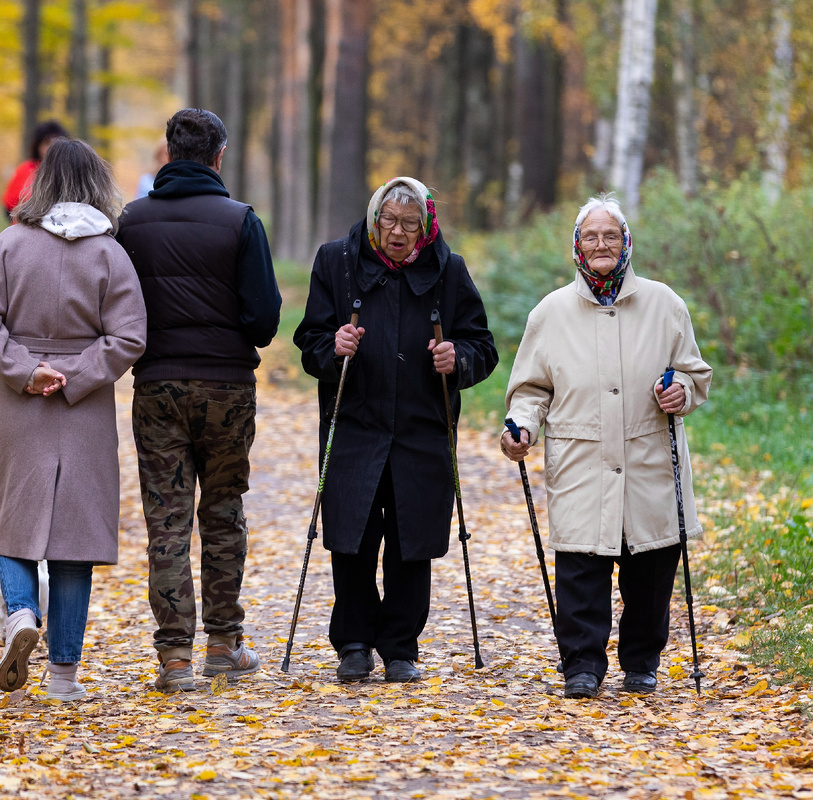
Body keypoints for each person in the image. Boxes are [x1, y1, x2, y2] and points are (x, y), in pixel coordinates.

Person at [500, 193, 712, 699]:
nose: (601, 244)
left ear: (626, 243)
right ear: (577, 245)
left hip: (649, 459)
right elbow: (531, 390)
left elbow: (693, 372)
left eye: (610, 236)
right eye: (591, 236)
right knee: (581, 568)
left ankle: (642, 662)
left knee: (652, 567)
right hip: (581, 460)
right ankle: (582, 665)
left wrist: (680, 389)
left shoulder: (665, 304)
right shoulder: (550, 313)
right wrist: (522, 427)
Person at [0, 138, 147, 701]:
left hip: (21, 402)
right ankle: (63, 676)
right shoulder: (110, 254)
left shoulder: (11, 244)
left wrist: (26, 369)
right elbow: (130, 336)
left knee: (14, 521)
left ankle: (20, 613)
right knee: (74, 541)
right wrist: (78, 373)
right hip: (83, 409)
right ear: (97, 185)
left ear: (40, 184)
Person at [294, 177, 498, 683]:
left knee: (413, 537)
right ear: (373, 220)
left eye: (411, 223)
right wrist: (331, 345)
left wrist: (459, 357)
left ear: (427, 225)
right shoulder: (336, 261)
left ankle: (401, 647)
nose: (399, 233)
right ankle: (355, 643)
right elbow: (309, 340)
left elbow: (482, 345)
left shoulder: (448, 270)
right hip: (355, 423)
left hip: (422, 427)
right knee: (353, 537)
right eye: (389, 221)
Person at [116, 108, 281, 693]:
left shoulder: (130, 223)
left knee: (167, 519)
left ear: (168, 154)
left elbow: (118, 309)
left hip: (158, 385)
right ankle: (223, 642)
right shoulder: (241, 222)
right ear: (219, 156)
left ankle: (175, 659)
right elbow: (264, 320)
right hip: (227, 387)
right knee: (222, 513)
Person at [1, 120, 70, 220]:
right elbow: (8, 206)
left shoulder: (69, 172)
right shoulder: (25, 170)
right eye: (47, 143)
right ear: (37, 145)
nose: (51, 147)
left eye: (56, 143)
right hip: (26, 228)